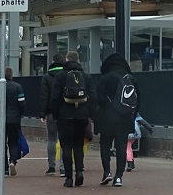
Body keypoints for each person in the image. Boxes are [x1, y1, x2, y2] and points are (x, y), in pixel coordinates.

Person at [51, 51, 96, 187]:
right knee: (78, 145)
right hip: (81, 115)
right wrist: (90, 114)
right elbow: (93, 96)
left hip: (65, 116)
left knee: (66, 147)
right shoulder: (86, 76)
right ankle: (79, 173)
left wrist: (55, 114)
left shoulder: (61, 76)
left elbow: (55, 97)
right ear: (78, 60)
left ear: (66, 60)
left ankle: (69, 178)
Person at [96, 52, 140, 187]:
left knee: (105, 145)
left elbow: (100, 98)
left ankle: (107, 172)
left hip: (107, 119)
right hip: (125, 119)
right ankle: (119, 177)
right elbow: (137, 101)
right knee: (121, 147)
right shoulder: (131, 78)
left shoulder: (106, 78)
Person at [0, 66, 26, 176]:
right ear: (12, 75)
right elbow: (22, 103)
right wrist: (19, 114)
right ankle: (12, 161)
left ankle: (4, 168)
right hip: (14, 120)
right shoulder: (18, 87)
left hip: (0, 120)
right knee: (13, 141)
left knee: (1, 143)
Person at [39, 53, 65, 176]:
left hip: (51, 112)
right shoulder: (67, 75)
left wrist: (42, 113)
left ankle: (51, 167)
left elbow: (44, 97)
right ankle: (64, 167)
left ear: (53, 61)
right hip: (65, 111)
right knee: (64, 139)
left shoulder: (47, 77)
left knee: (51, 139)